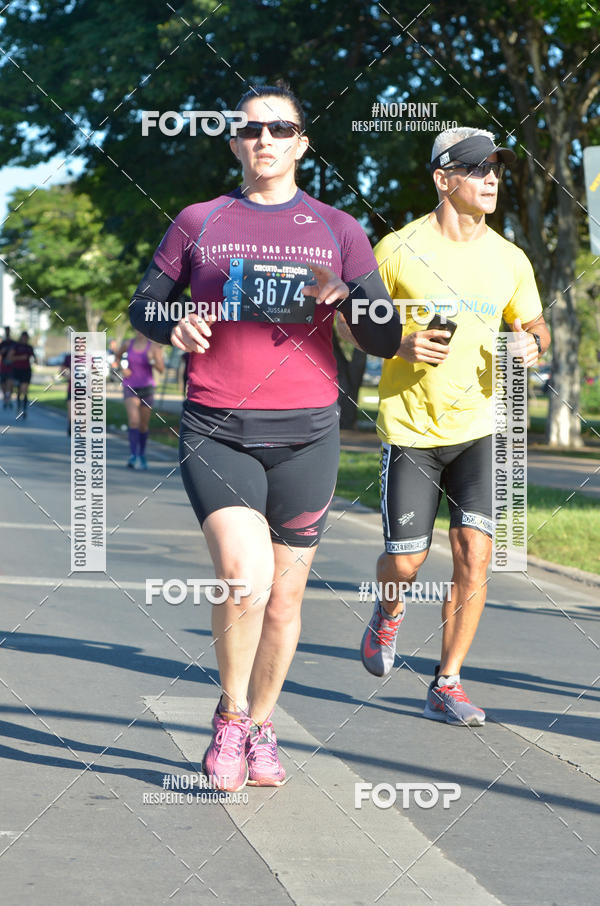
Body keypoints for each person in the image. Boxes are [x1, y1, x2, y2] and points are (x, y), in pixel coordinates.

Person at [129, 81, 401, 790]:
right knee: (243, 581)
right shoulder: (199, 220)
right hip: (217, 424)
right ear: (235, 144)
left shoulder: (338, 229)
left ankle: (264, 724)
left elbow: (387, 335)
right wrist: (174, 324)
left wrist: (350, 298)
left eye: (281, 129)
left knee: (284, 599)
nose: (266, 140)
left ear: (302, 143)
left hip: (309, 434)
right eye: (252, 130)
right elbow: (145, 306)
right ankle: (229, 717)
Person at [345, 126, 550, 726]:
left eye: (496, 169)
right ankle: (388, 612)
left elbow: (536, 326)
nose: (491, 179)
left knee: (475, 555)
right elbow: (353, 323)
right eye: (477, 168)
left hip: (483, 427)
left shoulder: (510, 258)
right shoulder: (397, 249)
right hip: (412, 429)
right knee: (406, 562)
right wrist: (399, 343)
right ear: (443, 179)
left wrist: (531, 345)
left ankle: (447, 681)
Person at [116, 330, 165, 469]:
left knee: (143, 425)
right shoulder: (127, 344)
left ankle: (142, 454)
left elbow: (161, 369)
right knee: (134, 421)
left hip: (147, 388)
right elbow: (117, 357)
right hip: (130, 386)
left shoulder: (154, 347)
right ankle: (133, 455)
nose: (140, 331)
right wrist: (122, 369)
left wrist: (152, 360)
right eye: (138, 328)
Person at [10, 331, 36, 419]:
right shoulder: (16, 346)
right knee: (19, 390)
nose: (25, 339)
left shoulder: (29, 347)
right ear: (21, 337)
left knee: (25, 390)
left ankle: (24, 409)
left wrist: (35, 360)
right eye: (23, 337)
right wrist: (20, 358)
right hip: (17, 371)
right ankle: (18, 407)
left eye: (26, 337)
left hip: (26, 371)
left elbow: (34, 357)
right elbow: (10, 357)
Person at [0, 326, 15, 409]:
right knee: (3, 384)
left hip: (11, 366)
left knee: (10, 383)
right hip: (3, 366)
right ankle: (6, 398)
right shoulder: (3, 343)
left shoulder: (13, 343)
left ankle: (8, 399)